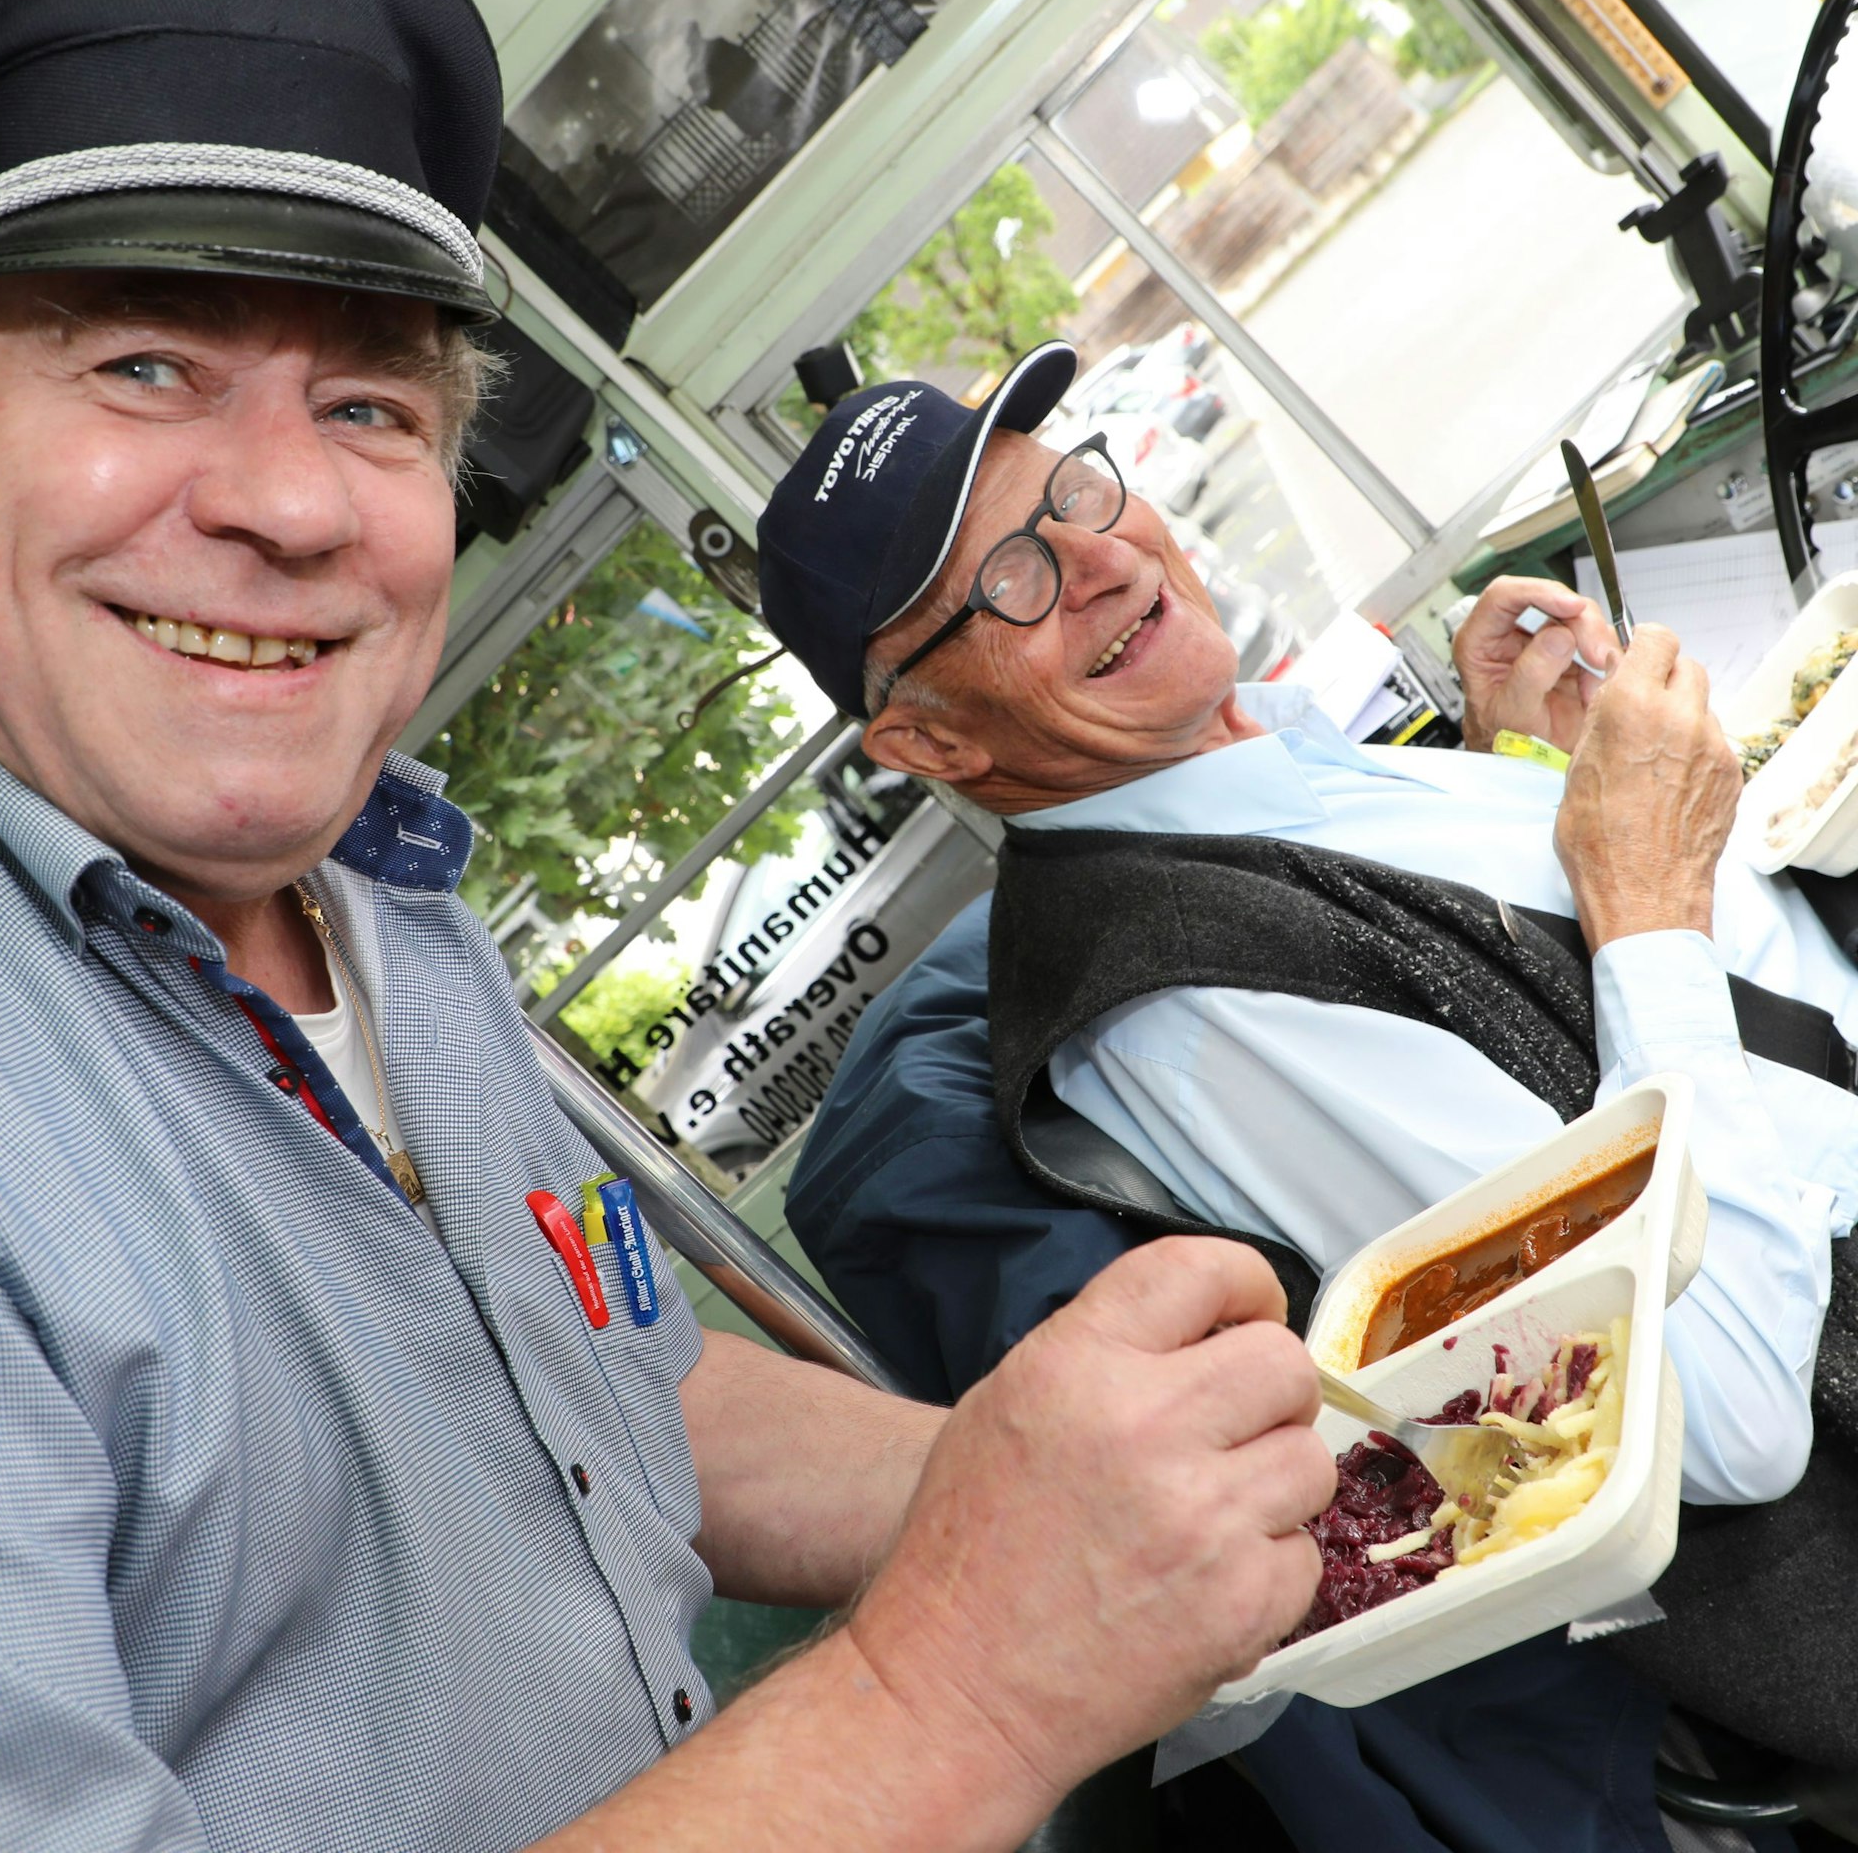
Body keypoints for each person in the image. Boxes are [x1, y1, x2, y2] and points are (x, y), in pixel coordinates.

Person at [0, 0, 1343, 1850]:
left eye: (371, 400)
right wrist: (959, 1680)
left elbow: (610, 1385)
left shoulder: (374, 886)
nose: (296, 500)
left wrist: (1022, 1476)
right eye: (144, 363)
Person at [756, 341, 1858, 1836]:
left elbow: (1483, 1025)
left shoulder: (1252, 775)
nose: (1096, 557)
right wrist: (1645, 894)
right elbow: (1713, 1406)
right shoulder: (1187, 1010)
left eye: (1076, 489)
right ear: (935, 739)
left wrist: (1501, 774)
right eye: (1007, 580)